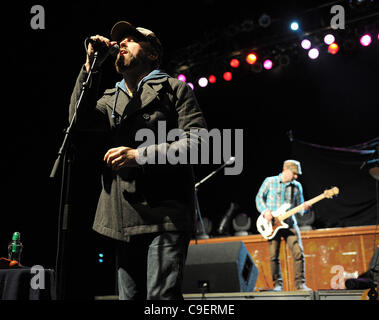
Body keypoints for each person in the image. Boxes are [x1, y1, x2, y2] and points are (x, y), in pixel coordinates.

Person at [68, 20, 207, 300]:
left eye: (131, 40)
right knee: (127, 298)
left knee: (161, 298)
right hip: (122, 214)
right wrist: (90, 66)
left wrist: (139, 155)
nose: (121, 44)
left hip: (166, 213)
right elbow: (78, 122)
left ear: (152, 53)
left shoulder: (174, 90)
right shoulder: (110, 98)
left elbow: (198, 143)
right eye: (120, 41)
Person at [255, 160, 312, 291]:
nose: (296, 177)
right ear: (285, 170)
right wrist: (265, 212)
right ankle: (277, 285)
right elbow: (259, 198)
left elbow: (301, 208)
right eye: (294, 173)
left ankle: (300, 284)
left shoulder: (297, 186)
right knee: (273, 256)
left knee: (299, 253)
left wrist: (306, 208)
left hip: (290, 223)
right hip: (272, 224)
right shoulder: (270, 181)